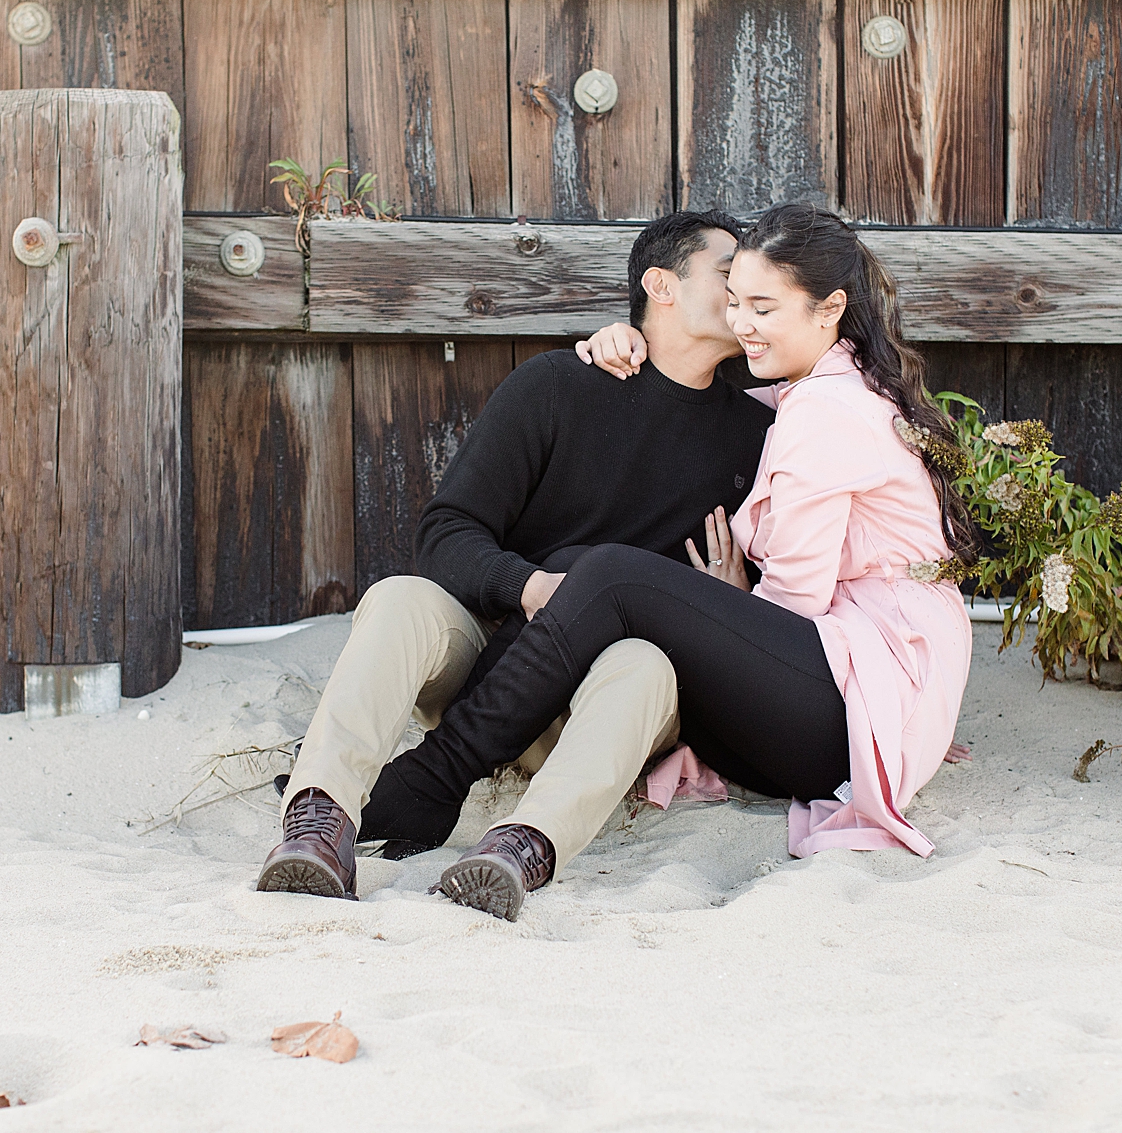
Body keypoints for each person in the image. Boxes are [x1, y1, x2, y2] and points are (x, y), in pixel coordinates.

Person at [371, 202, 978, 921]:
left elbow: (799, 600)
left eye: (761, 305)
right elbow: (683, 391)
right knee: (582, 561)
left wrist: (732, 616)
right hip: (842, 686)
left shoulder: (826, 410)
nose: (742, 320)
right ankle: (439, 771)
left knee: (613, 574)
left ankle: (436, 773)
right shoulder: (819, 389)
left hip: (843, 714)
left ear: (830, 309)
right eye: (735, 301)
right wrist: (620, 341)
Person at [258, 211, 774, 915]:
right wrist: (530, 587)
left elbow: (787, 603)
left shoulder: (758, 434)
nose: (748, 285)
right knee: (401, 599)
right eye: (728, 271)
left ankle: (517, 849)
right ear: (661, 284)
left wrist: (733, 600)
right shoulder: (558, 387)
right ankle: (320, 822)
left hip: (602, 709)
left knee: (647, 666)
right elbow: (446, 532)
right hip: (490, 665)